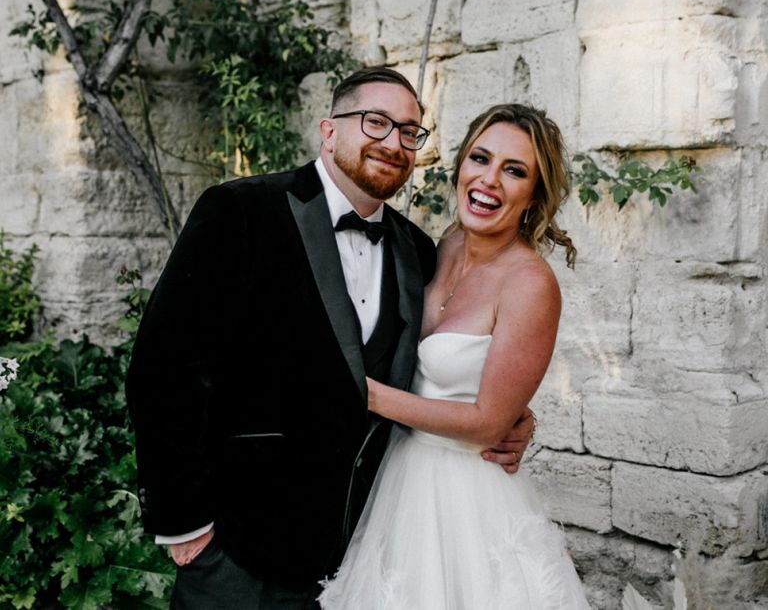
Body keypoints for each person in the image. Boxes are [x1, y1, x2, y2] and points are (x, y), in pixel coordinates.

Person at [125, 68, 535, 609]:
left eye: (410, 132)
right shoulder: (242, 212)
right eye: (376, 122)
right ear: (329, 129)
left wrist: (515, 418)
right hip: (239, 552)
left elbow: (442, 364)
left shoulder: (418, 253)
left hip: (362, 555)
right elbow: (164, 368)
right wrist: (187, 529)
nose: (394, 143)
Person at [318, 103, 591, 609]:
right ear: (461, 164)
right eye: (480, 158)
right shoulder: (441, 245)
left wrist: (366, 393)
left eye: (514, 171)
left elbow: (489, 423)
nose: (490, 180)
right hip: (400, 481)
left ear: (533, 196)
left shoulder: (530, 284)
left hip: (469, 498)